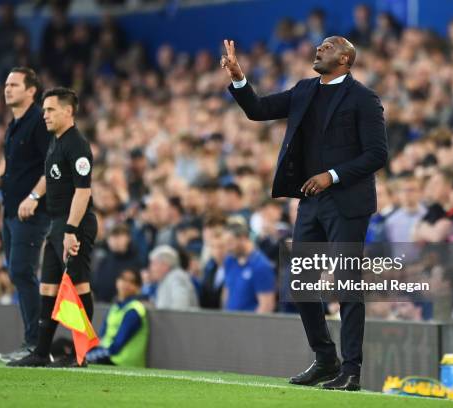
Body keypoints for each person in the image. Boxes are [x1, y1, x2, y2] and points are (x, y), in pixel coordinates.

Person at [221, 35, 387, 391]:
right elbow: (258, 110)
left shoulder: (364, 98)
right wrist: (238, 77)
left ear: (345, 59)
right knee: (302, 284)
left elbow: (377, 154)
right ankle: (326, 359)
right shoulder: (304, 90)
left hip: (348, 202)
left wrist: (333, 175)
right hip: (310, 202)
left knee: (346, 284)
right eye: (319, 46)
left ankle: (352, 369)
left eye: (328, 46)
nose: (319, 48)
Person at [9, 87, 97, 368]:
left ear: (68, 111)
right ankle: (41, 352)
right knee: (48, 287)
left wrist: (71, 230)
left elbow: (83, 192)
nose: (44, 115)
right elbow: (50, 176)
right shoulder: (55, 142)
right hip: (56, 224)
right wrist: (34, 197)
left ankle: (79, 354)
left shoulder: (77, 145)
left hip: (75, 224)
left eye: (50, 110)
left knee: (77, 286)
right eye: (44, 110)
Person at [0, 67, 51, 361]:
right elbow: (16, 172)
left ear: (31, 90)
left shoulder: (38, 122)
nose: (7, 89)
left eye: (14, 84)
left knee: (22, 271)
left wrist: (34, 196)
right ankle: (32, 341)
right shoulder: (14, 125)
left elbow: (51, 166)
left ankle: (36, 343)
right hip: (10, 211)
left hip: (31, 212)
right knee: (18, 273)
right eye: (6, 84)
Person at [86, 269, 148, 367]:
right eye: (123, 279)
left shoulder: (134, 310)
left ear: (138, 287)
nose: (125, 284)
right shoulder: (115, 308)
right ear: (117, 281)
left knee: (82, 360)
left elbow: (117, 346)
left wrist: (90, 355)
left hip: (120, 360)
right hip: (107, 353)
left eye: (131, 282)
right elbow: (102, 336)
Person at [221, 218, 276, 313]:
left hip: (248, 324)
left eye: (231, 243)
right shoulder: (229, 261)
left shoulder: (261, 266)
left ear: (243, 238)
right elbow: (227, 292)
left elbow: (266, 306)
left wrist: (250, 327)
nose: (228, 248)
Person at [149, 245, 198, 310]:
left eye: (154, 264)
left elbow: (180, 308)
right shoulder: (165, 279)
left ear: (165, 265)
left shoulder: (177, 277)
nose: (151, 268)